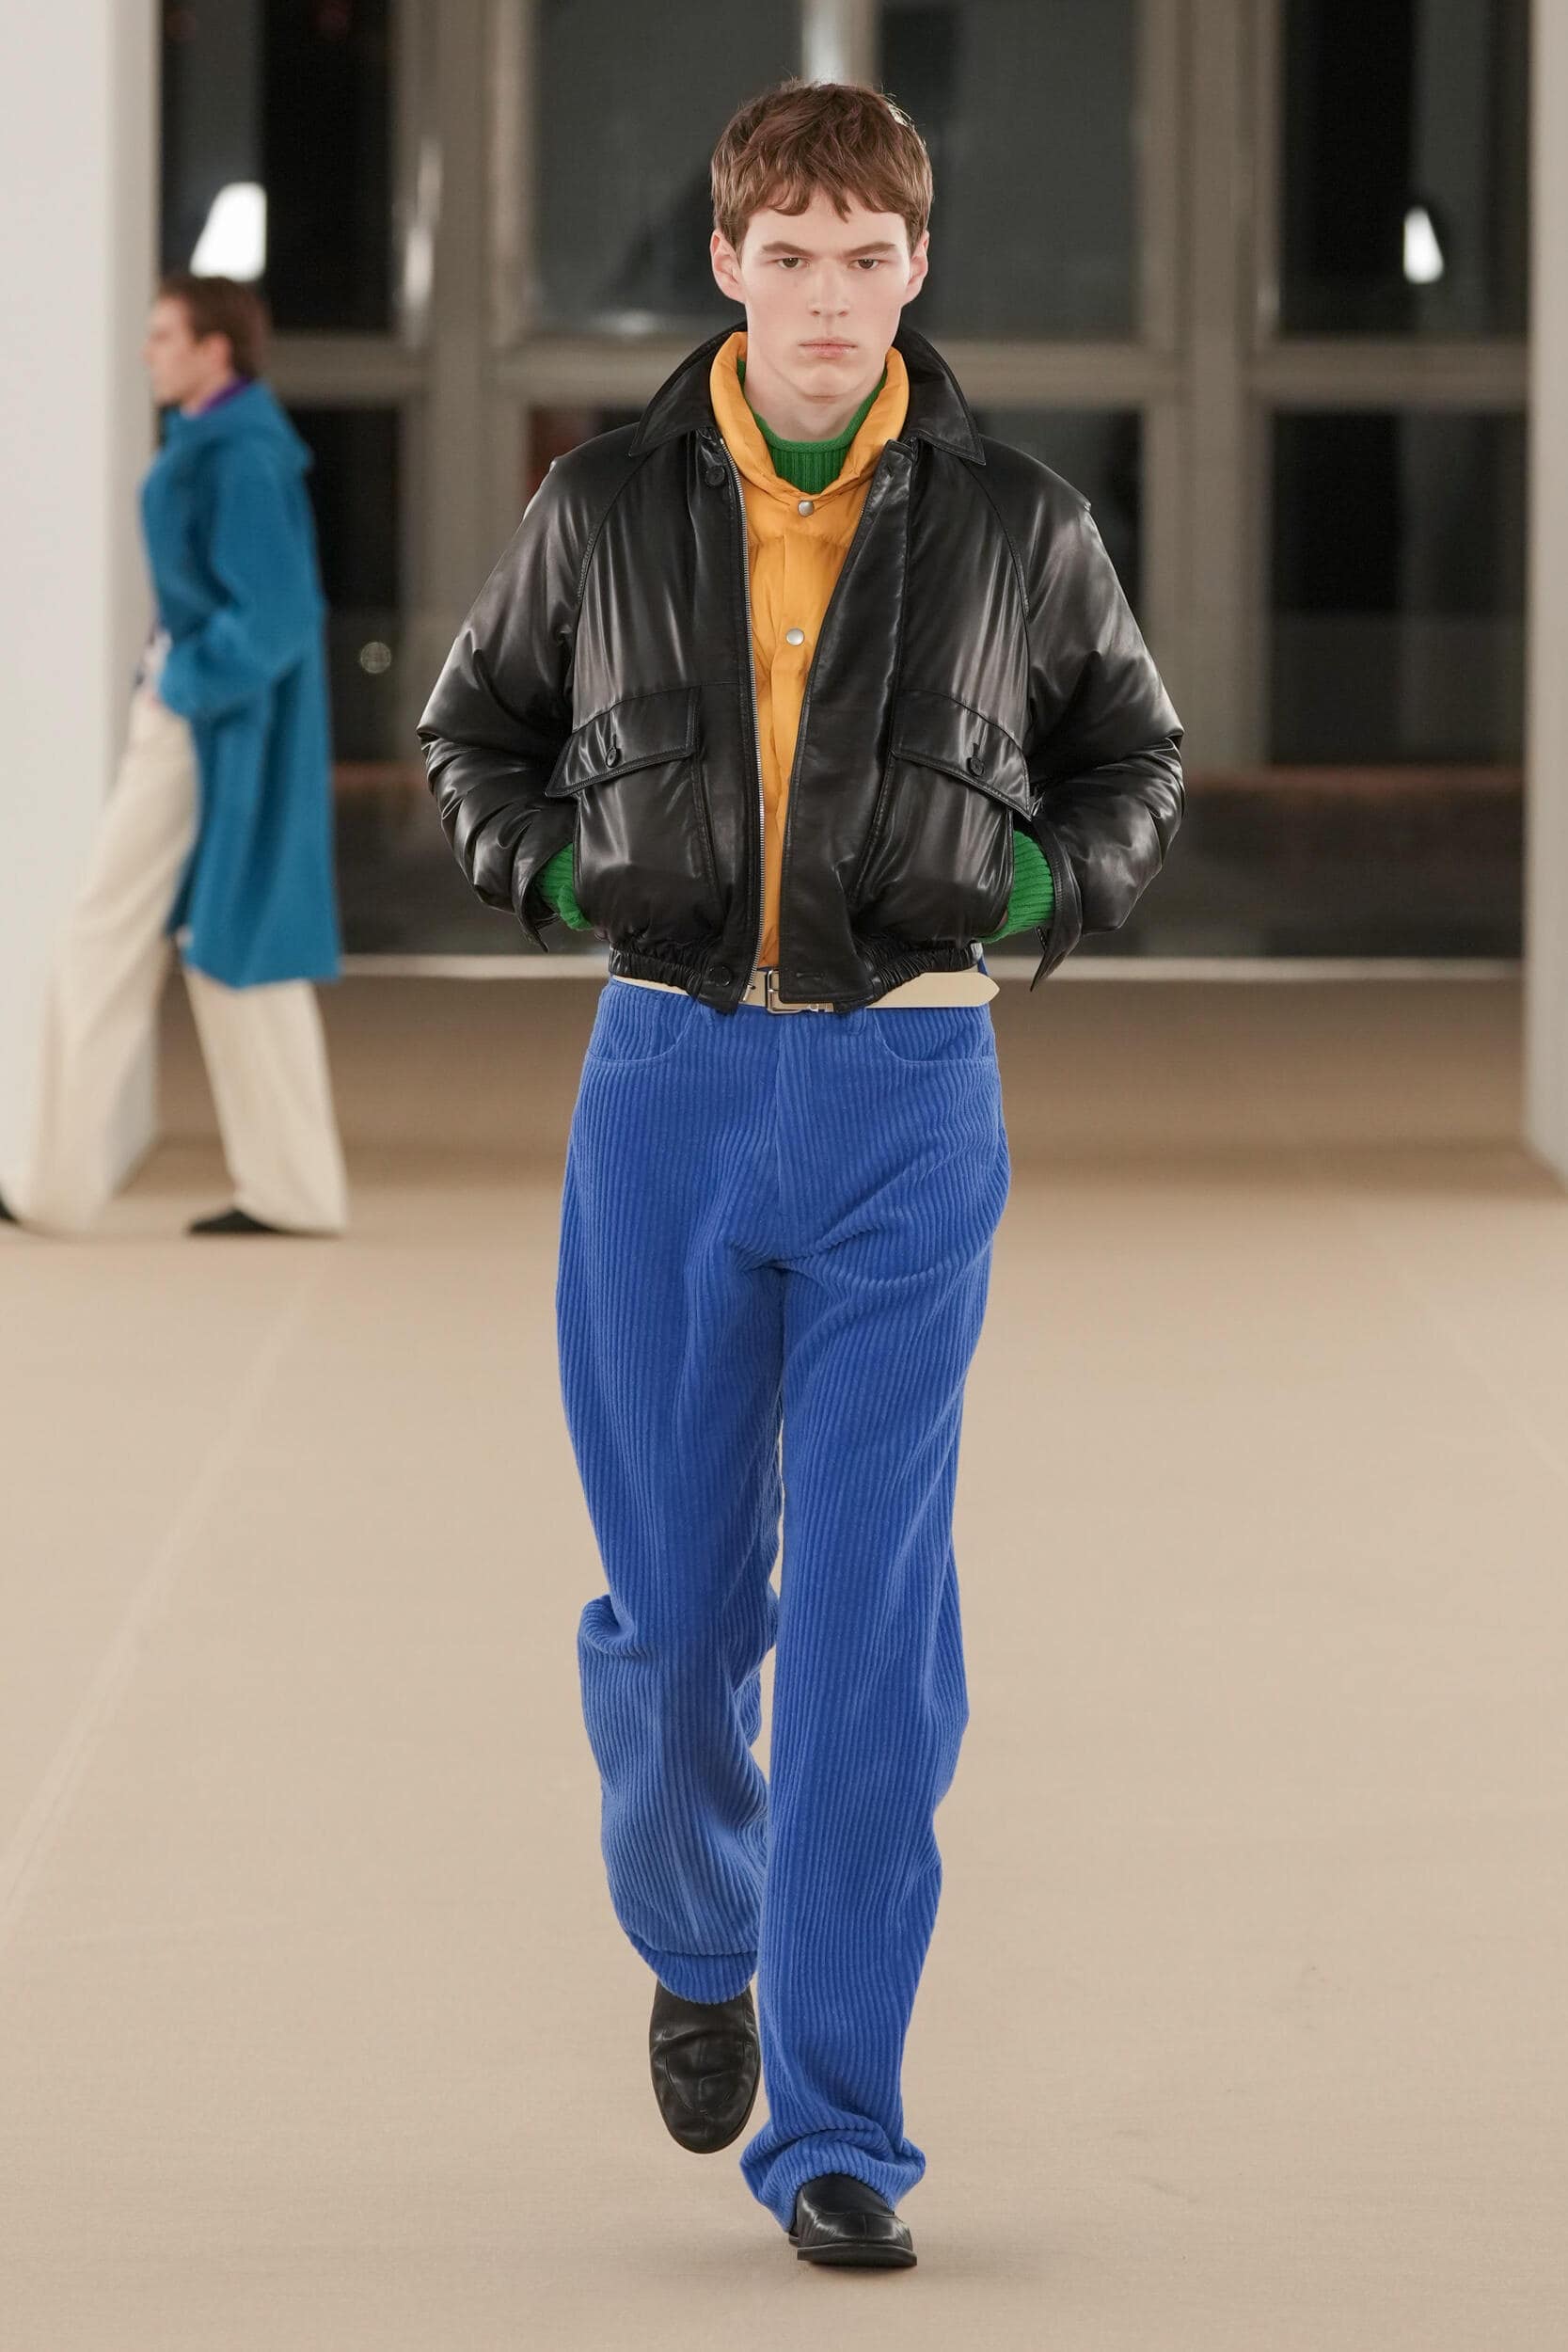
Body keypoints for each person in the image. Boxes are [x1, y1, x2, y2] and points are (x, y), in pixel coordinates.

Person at [419, 80, 1183, 2269]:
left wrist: (1033, 881)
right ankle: (697, 1929)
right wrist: (552, 868)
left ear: (915, 266)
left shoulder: (1021, 521)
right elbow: (473, 732)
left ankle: (839, 2123)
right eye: (789, 256)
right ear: (726, 264)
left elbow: (1133, 757)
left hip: (906, 1105)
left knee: (868, 1647)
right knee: (677, 1622)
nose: (829, 299)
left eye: (866, 258)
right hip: (664, 1091)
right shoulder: (600, 506)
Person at [0, 274, 347, 1242]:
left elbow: (277, 613)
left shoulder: (236, 455)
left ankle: (52, 1186)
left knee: (104, 937)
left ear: (212, 349)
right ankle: (293, 1190)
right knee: (233, 945)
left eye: (164, 334)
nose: (148, 351)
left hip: (205, 730)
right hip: (214, 725)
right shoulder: (228, 443)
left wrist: (178, 681)